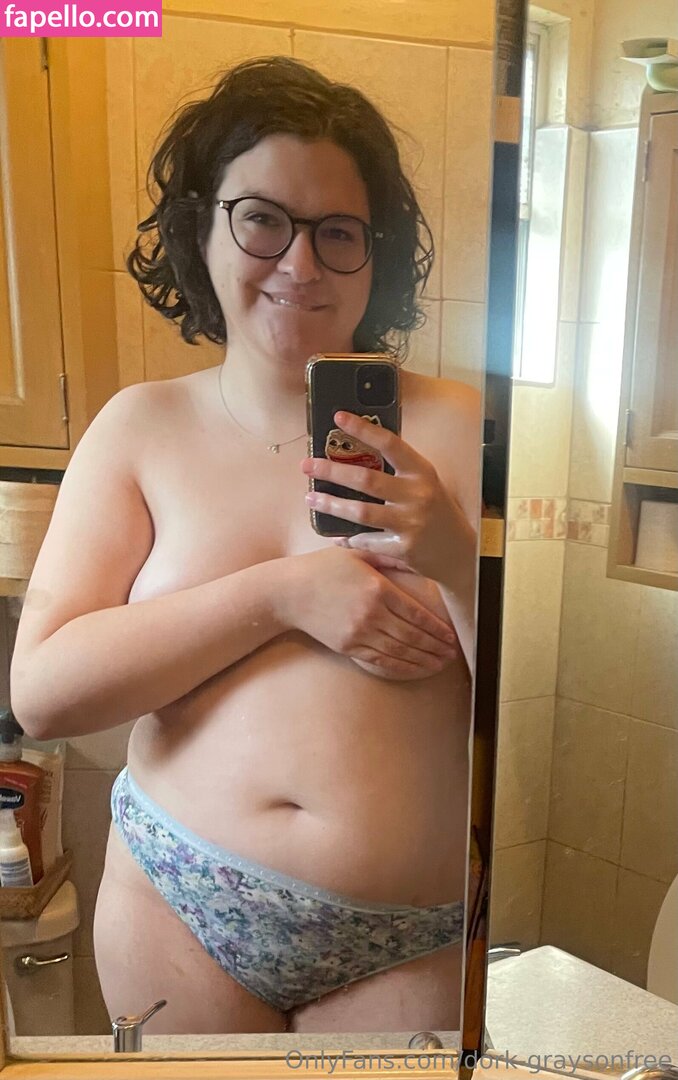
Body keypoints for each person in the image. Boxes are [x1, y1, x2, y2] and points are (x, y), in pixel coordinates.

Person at [10, 56, 480, 1034]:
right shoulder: (139, 428)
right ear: (201, 231)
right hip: (177, 903)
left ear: (375, 255)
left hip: (412, 931)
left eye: (337, 232)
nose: (301, 266)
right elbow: (44, 693)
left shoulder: (463, 430)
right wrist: (281, 595)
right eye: (263, 218)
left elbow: (522, 720)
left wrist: (456, 562)